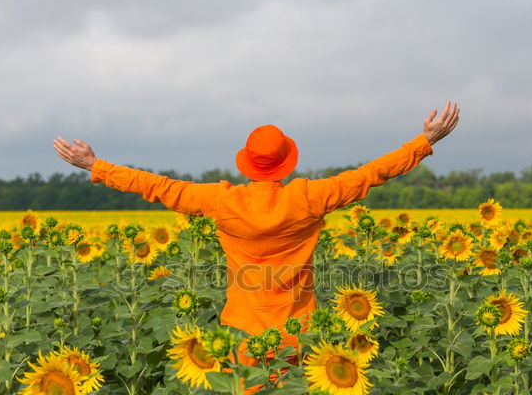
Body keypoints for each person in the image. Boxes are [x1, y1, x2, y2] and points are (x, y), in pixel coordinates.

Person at [53, 101, 460, 344]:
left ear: (247, 163)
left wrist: (96, 165)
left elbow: (159, 187)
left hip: (242, 326)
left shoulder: (220, 201)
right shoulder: (309, 198)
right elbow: (370, 174)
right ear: (287, 162)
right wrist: (422, 143)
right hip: (299, 327)